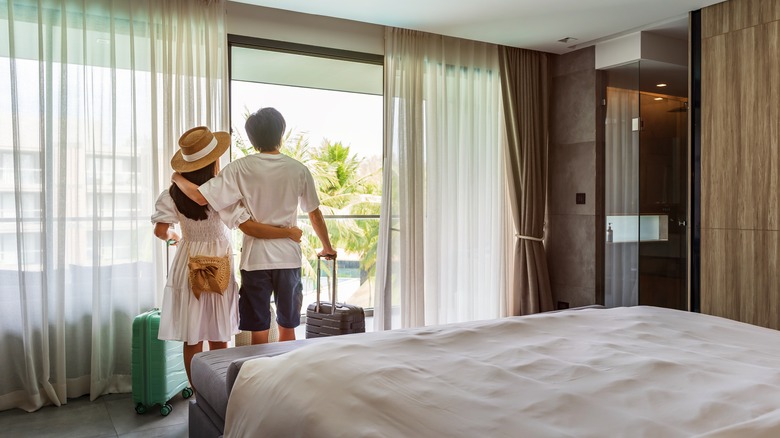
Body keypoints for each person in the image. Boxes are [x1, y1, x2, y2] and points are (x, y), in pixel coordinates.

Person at [152, 125, 302, 387]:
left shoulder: (171, 194)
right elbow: (240, 220)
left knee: (192, 336)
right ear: (213, 161)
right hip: (219, 262)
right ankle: (220, 391)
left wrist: (176, 237)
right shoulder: (222, 192)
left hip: (188, 262)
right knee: (219, 333)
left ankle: (199, 393)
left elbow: (161, 230)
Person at [172, 107, 336, 345]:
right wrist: (327, 247)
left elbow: (200, 197)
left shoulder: (240, 167)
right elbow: (315, 213)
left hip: (255, 260)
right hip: (288, 258)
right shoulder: (298, 169)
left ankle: (261, 379)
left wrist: (176, 177)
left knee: (259, 330)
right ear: (281, 132)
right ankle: (285, 378)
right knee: (287, 327)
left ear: (252, 138)